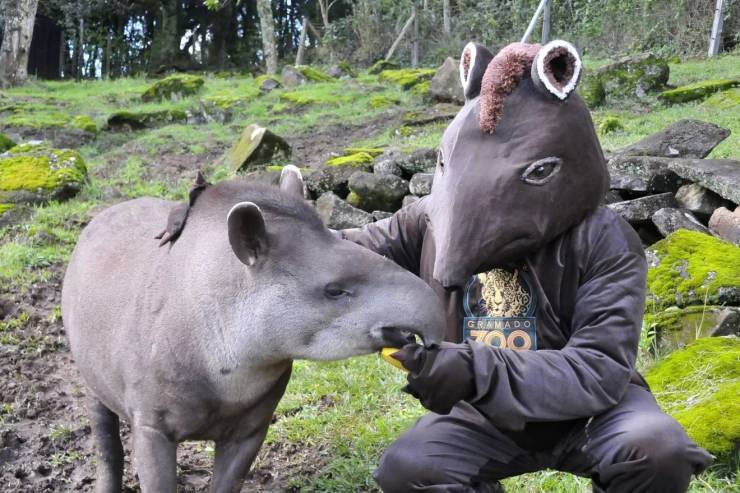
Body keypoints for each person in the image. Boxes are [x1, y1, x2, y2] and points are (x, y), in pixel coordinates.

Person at [340, 40, 712, 493]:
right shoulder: (432, 218)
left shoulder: (604, 238)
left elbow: (598, 368)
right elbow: (352, 252)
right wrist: (283, 229)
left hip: (594, 412)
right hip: (484, 414)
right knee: (408, 469)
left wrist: (475, 371)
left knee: (657, 450)